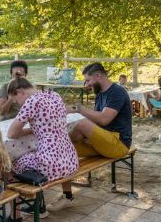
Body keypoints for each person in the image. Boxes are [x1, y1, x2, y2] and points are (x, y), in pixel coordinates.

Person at [51, 62, 133, 210]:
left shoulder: (118, 92)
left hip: (118, 144)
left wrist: (79, 110)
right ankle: (67, 196)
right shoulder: (101, 94)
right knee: (61, 149)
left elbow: (103, 119)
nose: (86, 84)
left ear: (98, 75)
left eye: (88, 80)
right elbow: (95, 121)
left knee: (81, 124)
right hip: (101, 143)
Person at [6, 78, 79, 184]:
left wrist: (30, 131)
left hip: (49, 166)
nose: (18, 104)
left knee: (13, 162)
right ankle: (67, 192)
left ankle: (14, 195)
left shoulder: (31, 102)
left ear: (20, 92)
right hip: (70, 160)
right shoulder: (54, 95)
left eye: (16, 100)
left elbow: (11, 133)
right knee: (31, 154)